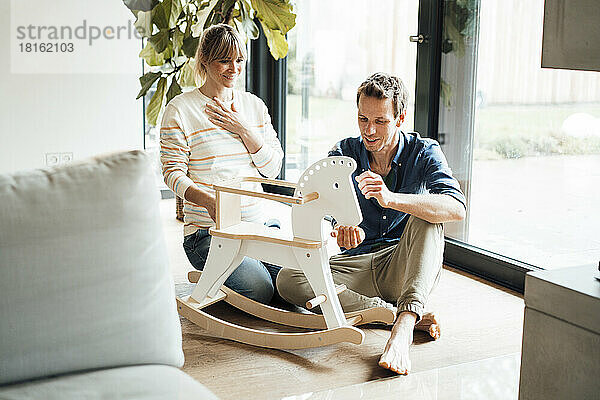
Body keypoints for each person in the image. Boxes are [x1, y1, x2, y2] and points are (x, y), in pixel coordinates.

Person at [276, 72, 466, 374]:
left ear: (400, 118)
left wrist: (391, 199)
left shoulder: (424, 151)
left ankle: (402, 330)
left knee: (429, 219)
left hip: (403, 266)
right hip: (358, 264)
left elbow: (456, 209)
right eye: (363, 119)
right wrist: (341, 228)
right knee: (288, 278)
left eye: (380, 121)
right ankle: (391, 313)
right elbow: (323, 205)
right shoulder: (343, 153)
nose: (370, 130)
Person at [160, 24, 284, 304]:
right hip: (209, 235)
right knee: (262, 290)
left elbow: (272, 168)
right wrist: (208, 201)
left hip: (257, 227)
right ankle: (238, 270)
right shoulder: (181, 110)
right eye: (224, 60)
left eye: (239, 60)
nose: (233, 68)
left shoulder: (254, 106)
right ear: (204, 59)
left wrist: (243, 128)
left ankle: (258, 259)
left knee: (292, 283)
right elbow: (172, 174)